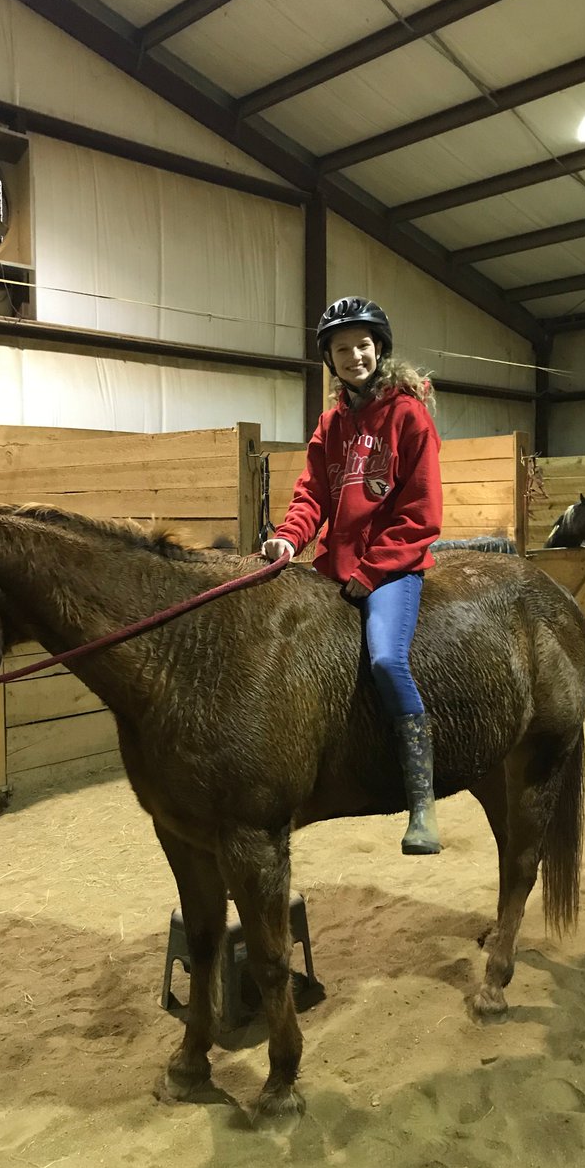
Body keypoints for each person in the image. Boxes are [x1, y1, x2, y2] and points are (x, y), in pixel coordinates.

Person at [262, 296, 444, 855]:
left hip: (391, 569)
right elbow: (312, 492)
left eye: (362, 345)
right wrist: (289, 537)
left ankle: (421, 801)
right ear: (331, 360)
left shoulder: (409, 416)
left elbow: (422, 513)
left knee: (387, 659)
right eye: (343, 349)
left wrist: (372, 570)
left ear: (379, 348)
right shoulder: (330, 423)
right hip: (333, 567)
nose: (354, 355)